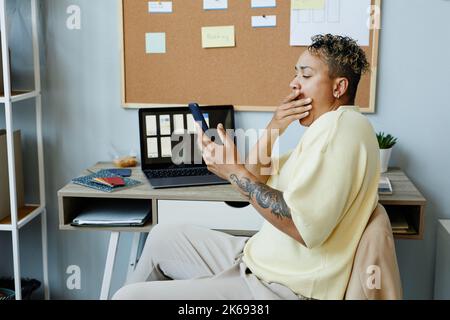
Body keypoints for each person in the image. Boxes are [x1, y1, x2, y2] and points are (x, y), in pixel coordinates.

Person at [113, 34, 380, 300]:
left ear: (338, 87)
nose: (293, 84)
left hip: (282, 287)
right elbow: (254, 179)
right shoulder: (327, 129)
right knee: (162, 236)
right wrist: (274, 127)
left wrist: (232, 171)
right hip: (259, 259)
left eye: (306, 76)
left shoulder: (339, 131)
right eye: (295, 74)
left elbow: (300, 225)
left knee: (127, 298)